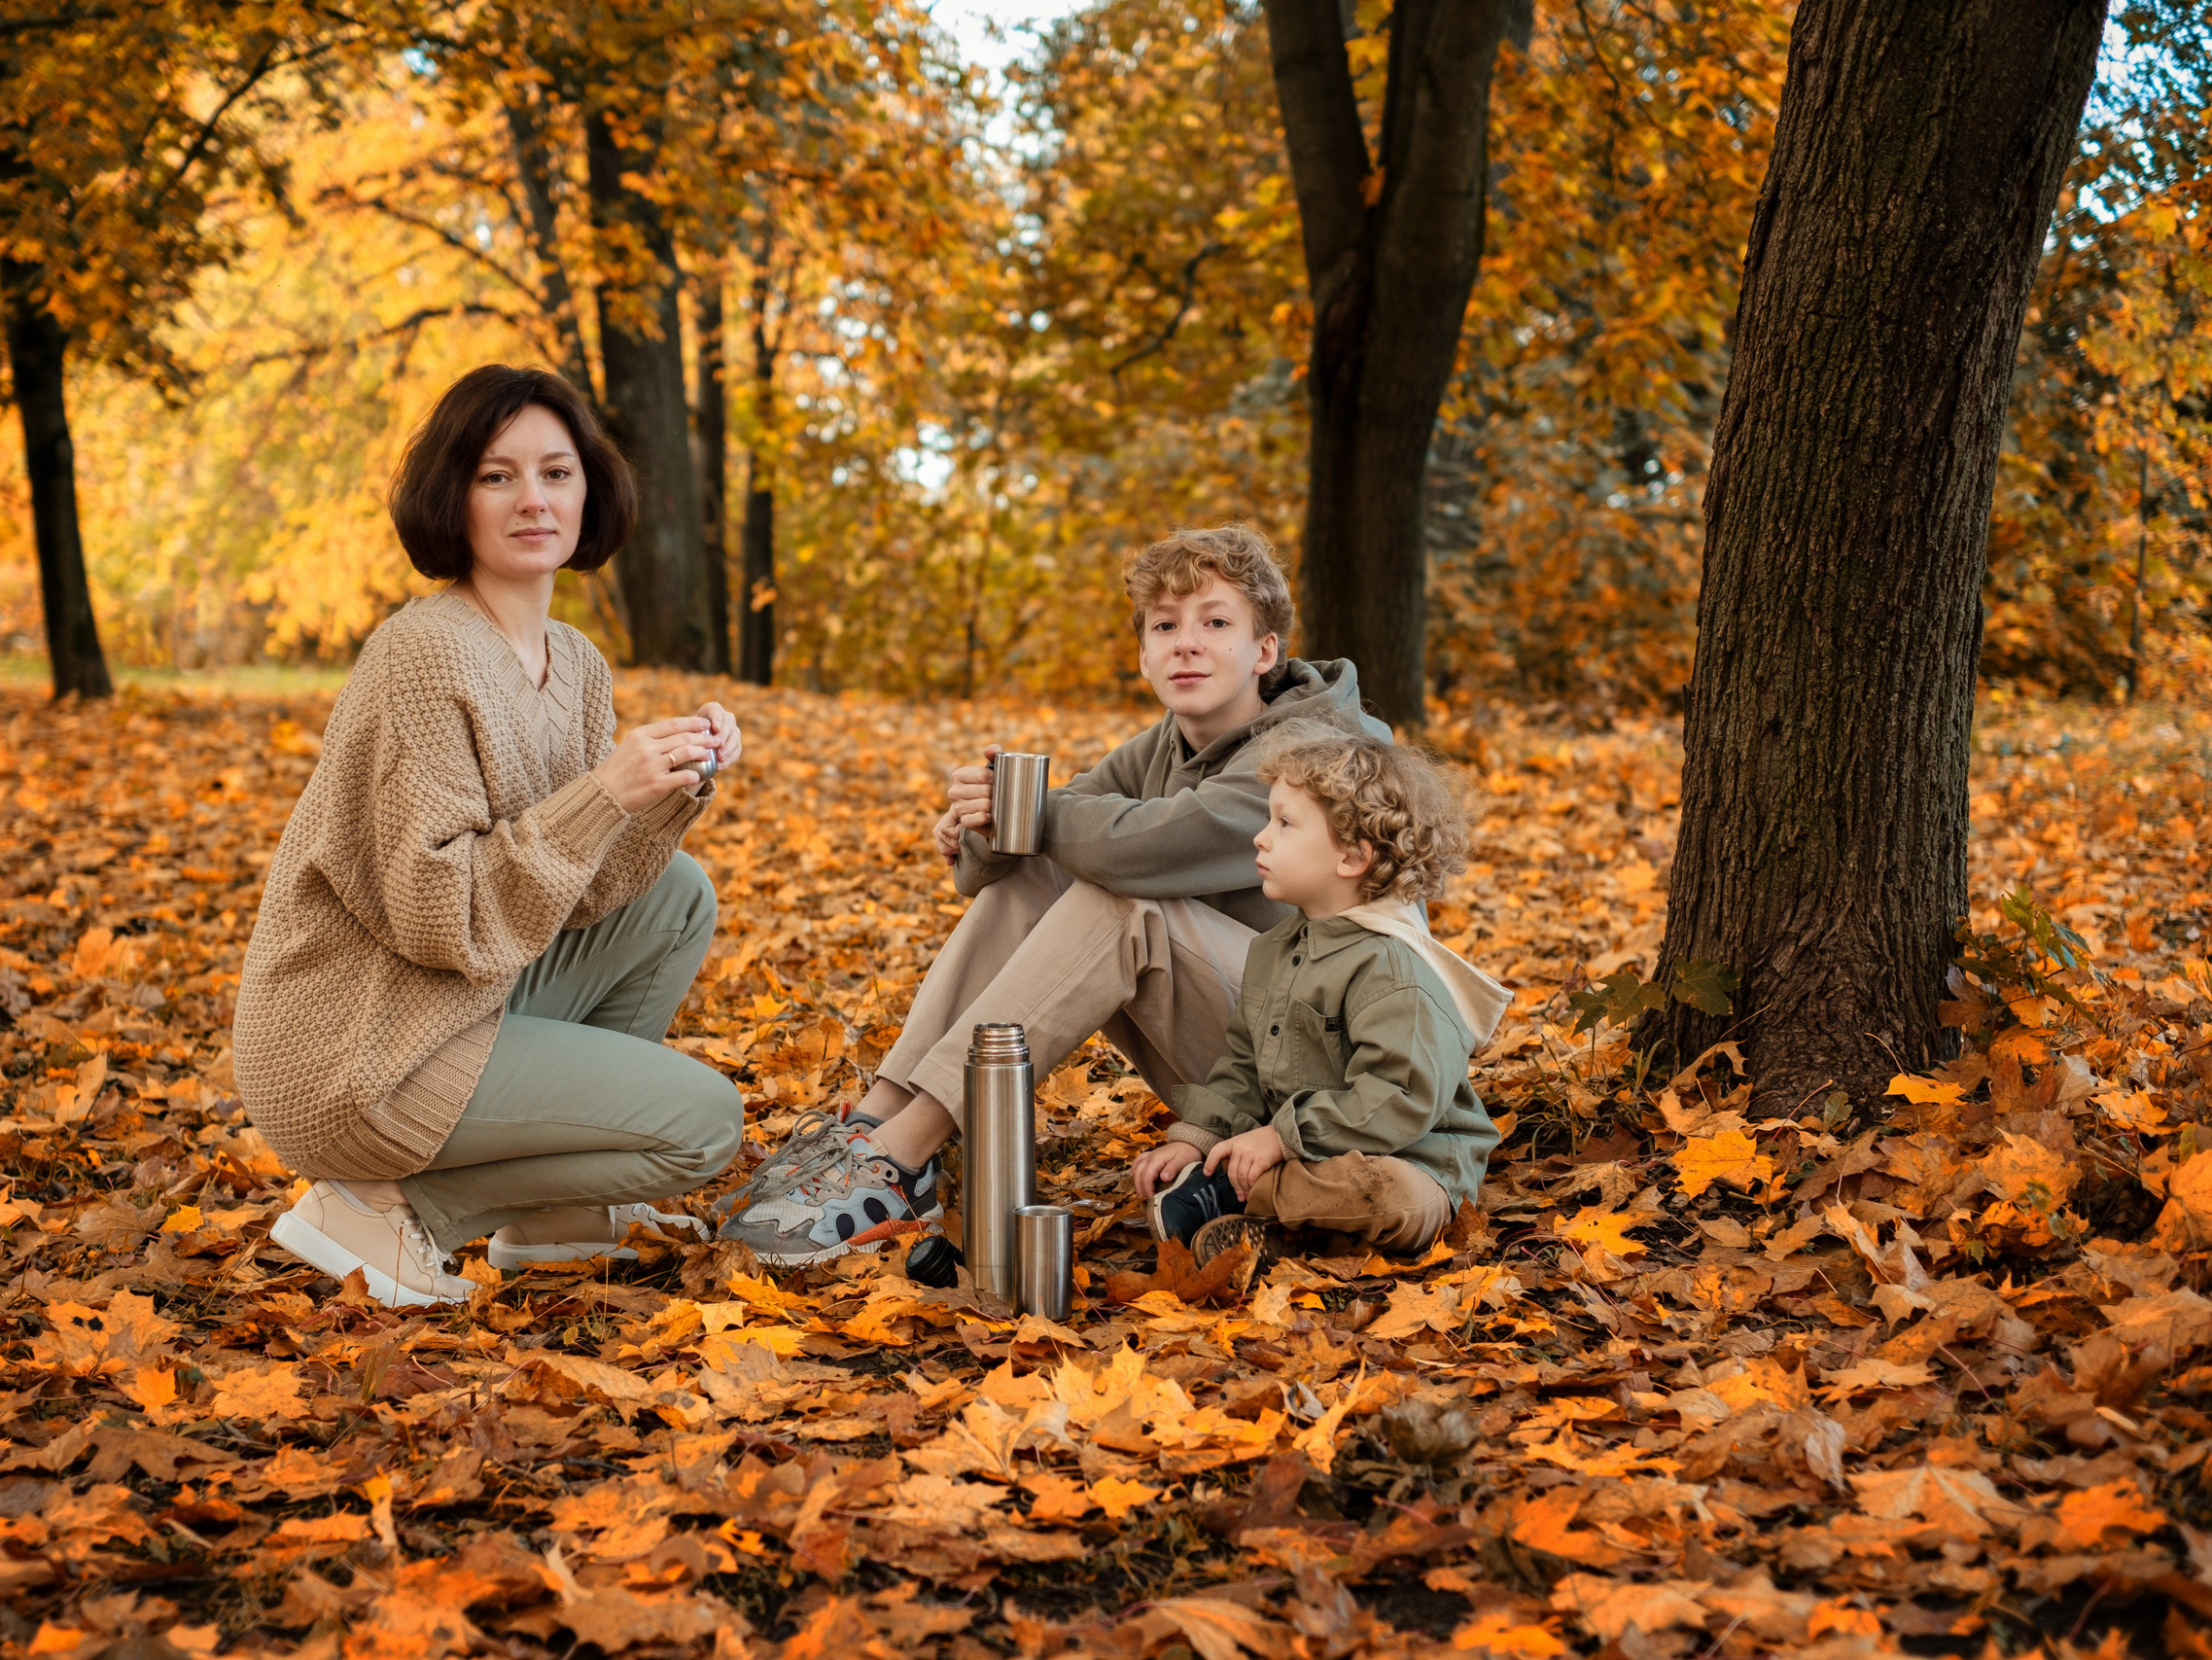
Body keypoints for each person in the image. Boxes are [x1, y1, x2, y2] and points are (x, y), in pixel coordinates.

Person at [720, 524, 1391, 1265]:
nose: (1186, 643)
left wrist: (1029, 813)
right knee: (1052, 870)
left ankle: (904, 1155)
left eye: (1215, 622)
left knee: (1122, 901)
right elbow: (1022, 858)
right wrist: (982, 825)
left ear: (1266, 651)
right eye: (1165, 625)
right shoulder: (1169, 743)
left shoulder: (1315, 753)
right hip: (1241, 1062)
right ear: (1142, 655)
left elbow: (1144, 846)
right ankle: (874, 1126)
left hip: (1332, 1082)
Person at [234, 365, 746, 1308]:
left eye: (556, 473)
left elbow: (576, 893)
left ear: (590, 491)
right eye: (495, 475)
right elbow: (441, 914)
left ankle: (553, 1216)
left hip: (455, 1002)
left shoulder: (576, 664)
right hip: (358, 1047)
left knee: (679, 895)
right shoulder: (426, 653)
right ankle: (389, 1210)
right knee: (703, 1126)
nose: (532, 500)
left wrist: (672, 782)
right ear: (452, 496)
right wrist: (602, 791)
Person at [1131, 727, 1509, 1266]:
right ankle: (1276, 1227)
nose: (1260, 838)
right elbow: (1243, 1065)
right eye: (1268, 819)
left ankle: (1233, 1197)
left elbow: (1401, 1093)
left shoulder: (1391, 966)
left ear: (1353, 857)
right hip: (1302, 1150)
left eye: (1284, 824)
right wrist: (1197, 1136)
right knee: (1316, 1183)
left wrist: (1281, 1137)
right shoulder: (1275, 951)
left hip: (1415, 1160)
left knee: (1385, 1196)